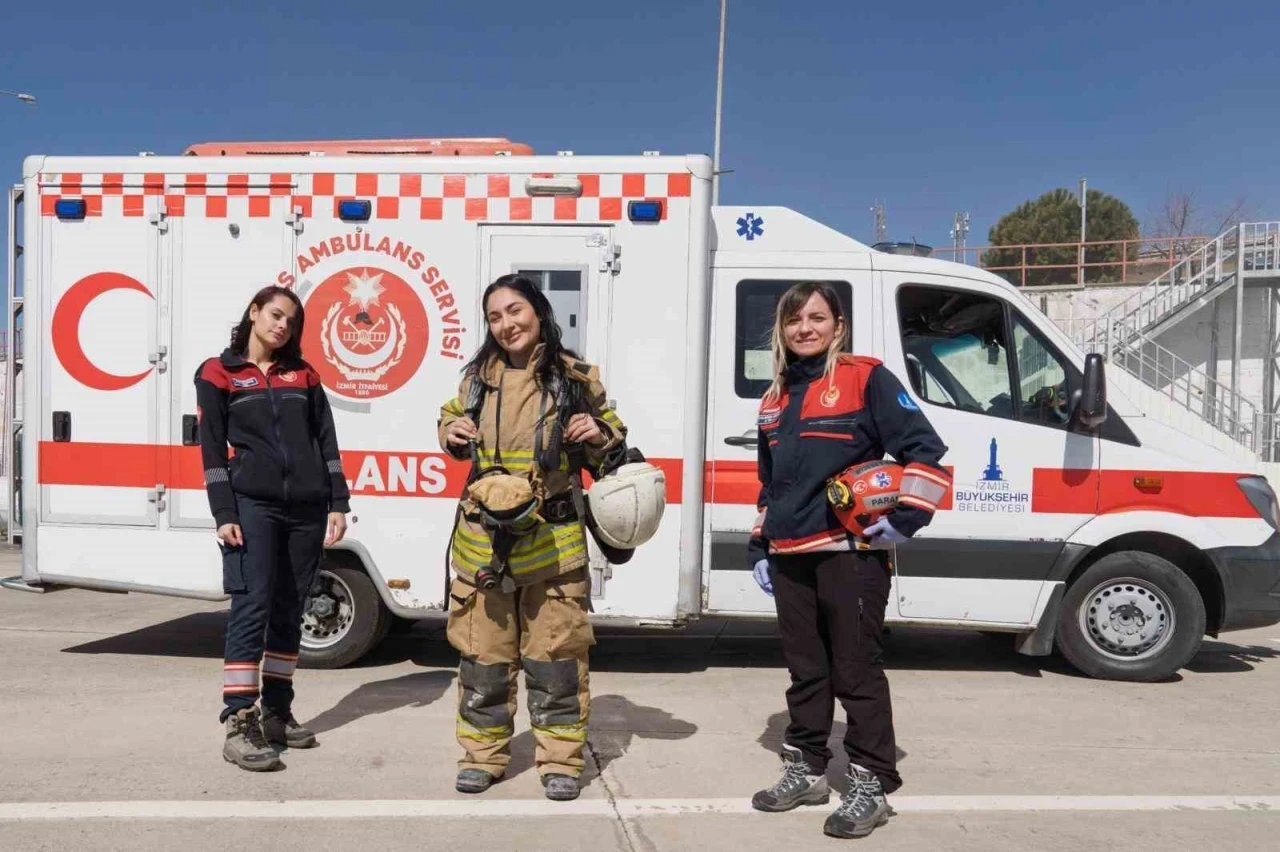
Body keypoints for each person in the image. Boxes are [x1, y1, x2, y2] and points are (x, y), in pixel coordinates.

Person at [747, 281, 951, 840]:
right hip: (790, 555)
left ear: (838, 326)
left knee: (855, 671)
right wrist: (760, 544)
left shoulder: (866, 378)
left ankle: (871, 781)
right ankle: (808, 769)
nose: (804, 328)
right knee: (806, 672)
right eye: (793, 320)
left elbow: (925, 450)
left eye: (816, 317)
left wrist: (907, 518)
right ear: (782, 331)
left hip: (851, 556)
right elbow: (772, 485)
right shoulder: (774, 398)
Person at [437, 274, 627, 802]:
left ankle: (560, 761)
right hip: (483, 548)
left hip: (554, 550)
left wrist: (600, 434)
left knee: (556, 661)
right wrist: (448, 432)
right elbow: (451, 420)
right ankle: (482, 756)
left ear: (539, 312)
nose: (506, 324)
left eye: (514, 310)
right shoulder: (476, 379)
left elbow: (612, 444)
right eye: (494, 316)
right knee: (484, 660)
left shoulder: (575, 379)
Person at [195, 285, 351, 772]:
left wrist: (337, 502)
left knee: (290, 608)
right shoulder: (218, 372)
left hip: (306, 508)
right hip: (252, 506)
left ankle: (278, 711)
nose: (282, 326)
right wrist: (225, 513)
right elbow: (212, 450)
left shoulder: (303, 375)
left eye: (291, 321)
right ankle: (241, 720)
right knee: (252, 606)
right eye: (276, 315)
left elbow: (326, 441)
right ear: (255, 312)